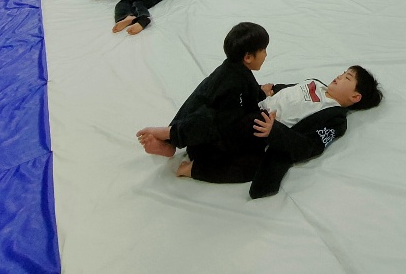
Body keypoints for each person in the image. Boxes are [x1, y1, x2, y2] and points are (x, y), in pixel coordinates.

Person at [139, 60, 383, 199]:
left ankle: (186, 155)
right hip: (254, 106)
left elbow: (311, 146)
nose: (339, 76)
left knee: (233, 138)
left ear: (355, 97)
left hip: (261, 129)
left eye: (347, 78)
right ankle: (173, 136)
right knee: (223, 81)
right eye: (343, 73)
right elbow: (289, 90)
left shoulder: (336, 119)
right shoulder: (315, 83)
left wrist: (274, 131)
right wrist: (268, 89)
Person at [135, 21, 270, 173]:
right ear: (248, 57)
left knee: (200, 100)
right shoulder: (234, 86)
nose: (266, 54)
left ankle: (170, 138)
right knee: (254, 160)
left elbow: (248, 92)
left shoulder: (229, 69)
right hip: (204, 147)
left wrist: (261, 93)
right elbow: (220, 124)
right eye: (263, 50)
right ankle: (172, 138)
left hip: (196, 127)